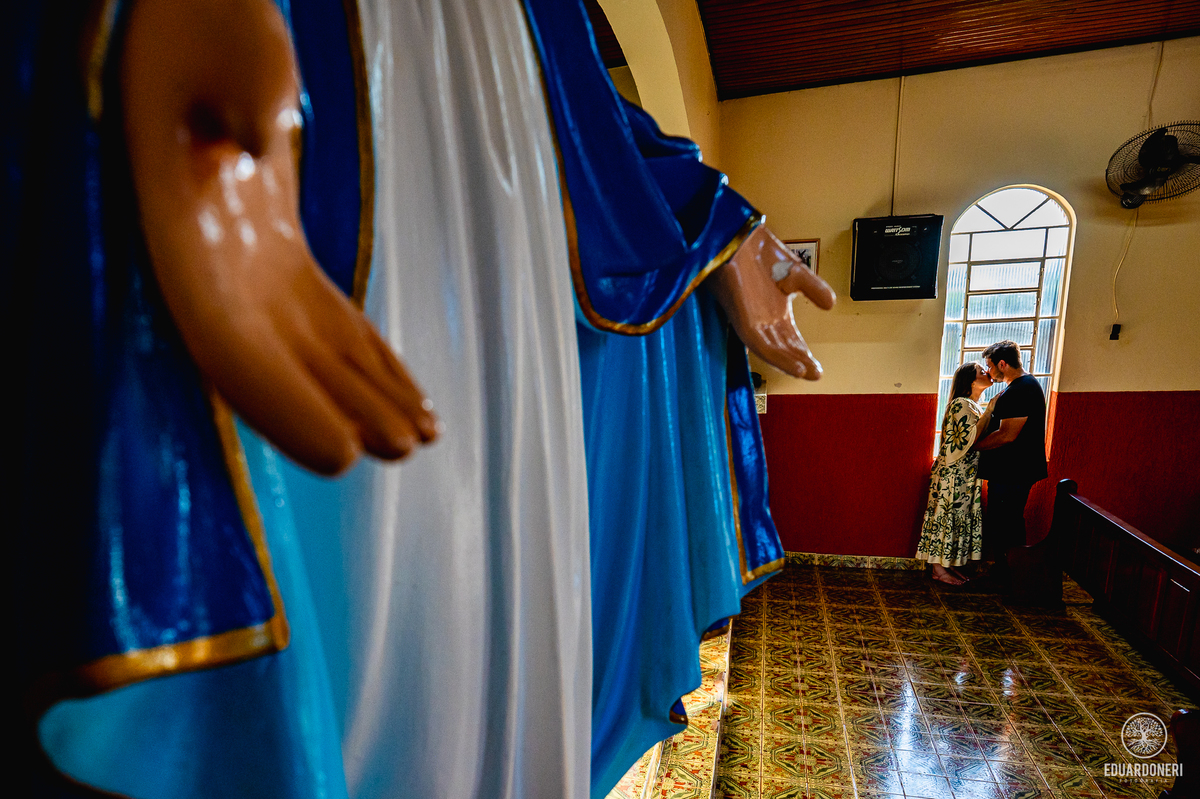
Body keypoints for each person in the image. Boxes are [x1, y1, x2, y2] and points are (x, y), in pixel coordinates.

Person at [10, 2, 834, 798]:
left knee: (496, 641)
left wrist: (717, 220)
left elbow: (584, 96)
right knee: (344, 628)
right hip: (336, 98)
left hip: (512, 174)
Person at [974, 340, 1049, 591]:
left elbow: (1007, 434)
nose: (988, 371)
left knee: (1008, 522)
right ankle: (1005, 572)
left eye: (990, 365)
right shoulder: (1017, 387)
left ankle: (1012, 576)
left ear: (1002, 364)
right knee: (1002, 520)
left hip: (1014, 470)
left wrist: (974, 447)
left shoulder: (1022, 389)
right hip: (1009, 470)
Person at [916, 362, 996, 585]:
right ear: (970, 380)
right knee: (947, 516)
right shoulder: (962, 404)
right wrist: (989, 411)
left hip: (964, 473)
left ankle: (947, 565)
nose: (987, 373)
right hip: (954, 474)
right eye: (982, 371)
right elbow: (968, 439)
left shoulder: (971, 404)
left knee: (956, 517)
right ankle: (938, 568)